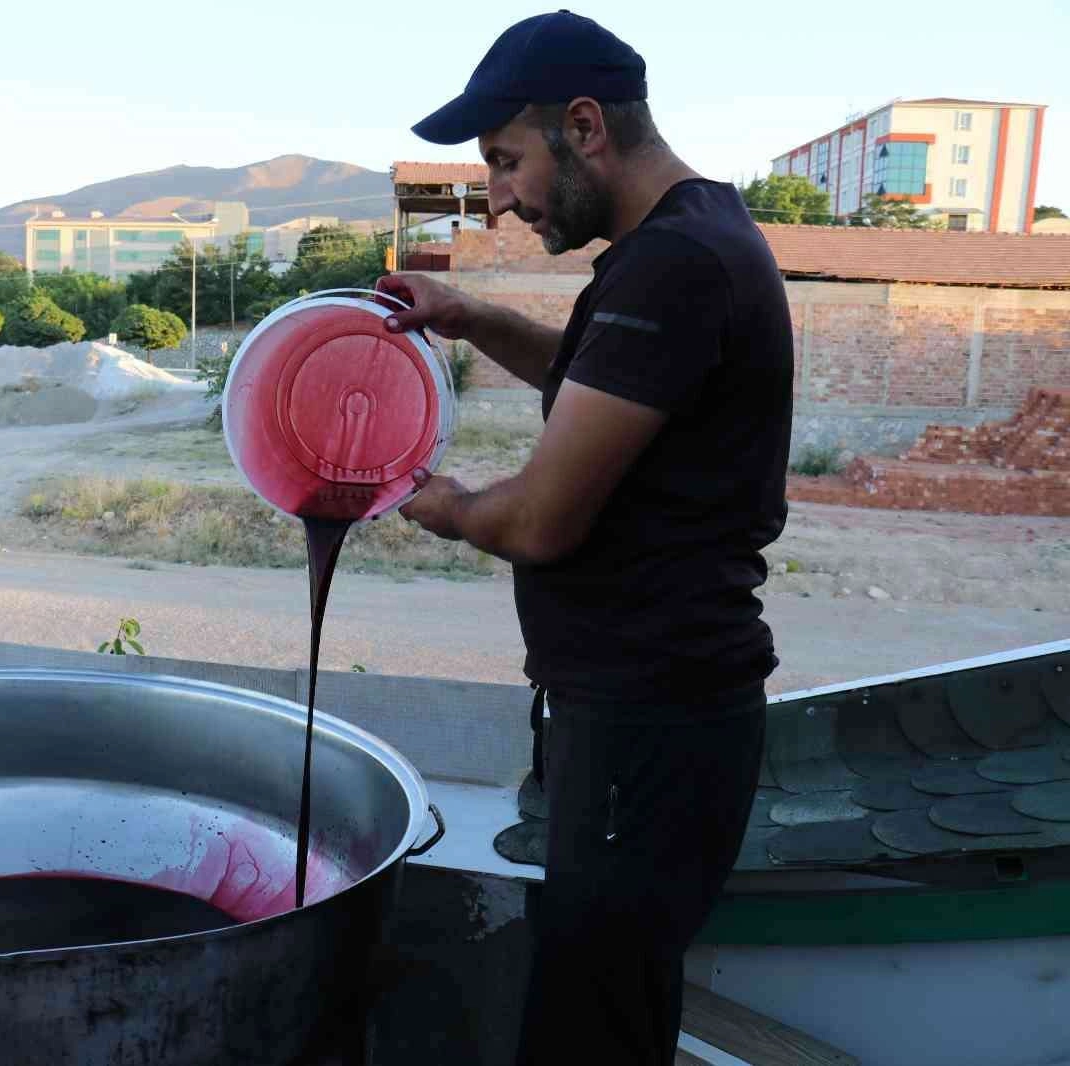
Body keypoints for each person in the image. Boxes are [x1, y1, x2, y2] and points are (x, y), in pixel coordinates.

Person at [382, 11, 793, 1064]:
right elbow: (600, 382)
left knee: (589, 1031)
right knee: (611, 1008)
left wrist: (432, 499)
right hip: (648, 720)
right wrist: (471, 317)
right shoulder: (685, 241)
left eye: (505, 161)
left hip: (647, 725)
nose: (500, 198)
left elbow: (540, 520)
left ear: (583, 126)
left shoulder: (676, 264)